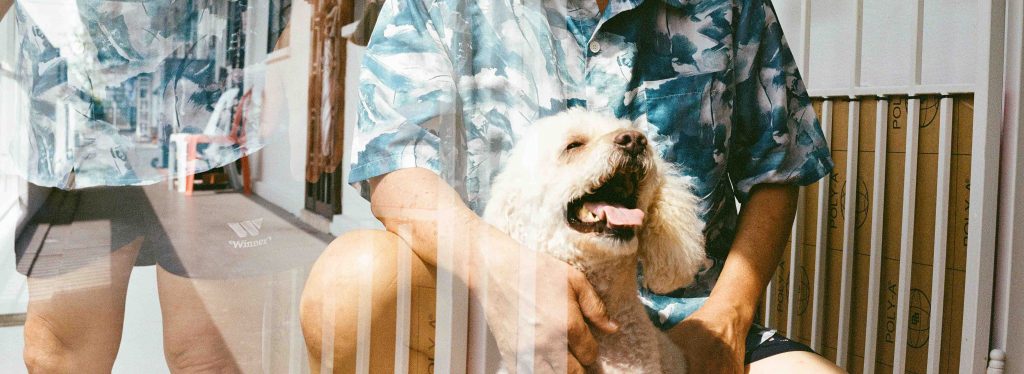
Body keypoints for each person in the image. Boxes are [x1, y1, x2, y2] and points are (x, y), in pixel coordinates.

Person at [299, 0, 844, 372]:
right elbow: (394, 168)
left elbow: (778, 167)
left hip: (684, 322)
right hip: (483, 306)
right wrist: (504, 273)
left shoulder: (731, 6)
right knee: (351, 284)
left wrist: (727, 316)